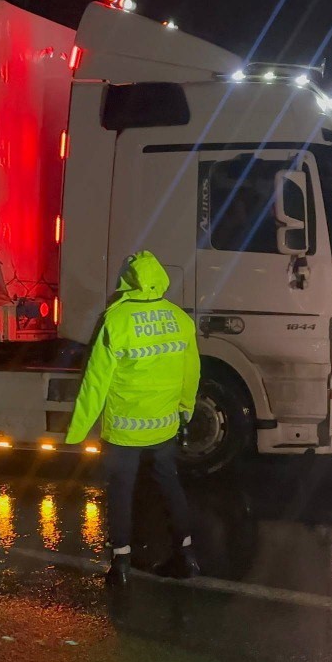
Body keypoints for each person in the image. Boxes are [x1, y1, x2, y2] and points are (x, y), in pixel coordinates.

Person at [65, 251, 201, 586]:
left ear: (126, 280)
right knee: (169, 485)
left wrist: (78, 430)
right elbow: (191, 371)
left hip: (124, 429)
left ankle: (121, 563)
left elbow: (95, 382)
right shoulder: (179, 318)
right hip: (164, 424)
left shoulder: (116, 320)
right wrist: (185, 407)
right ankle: (185, 556)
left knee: (121, 490)